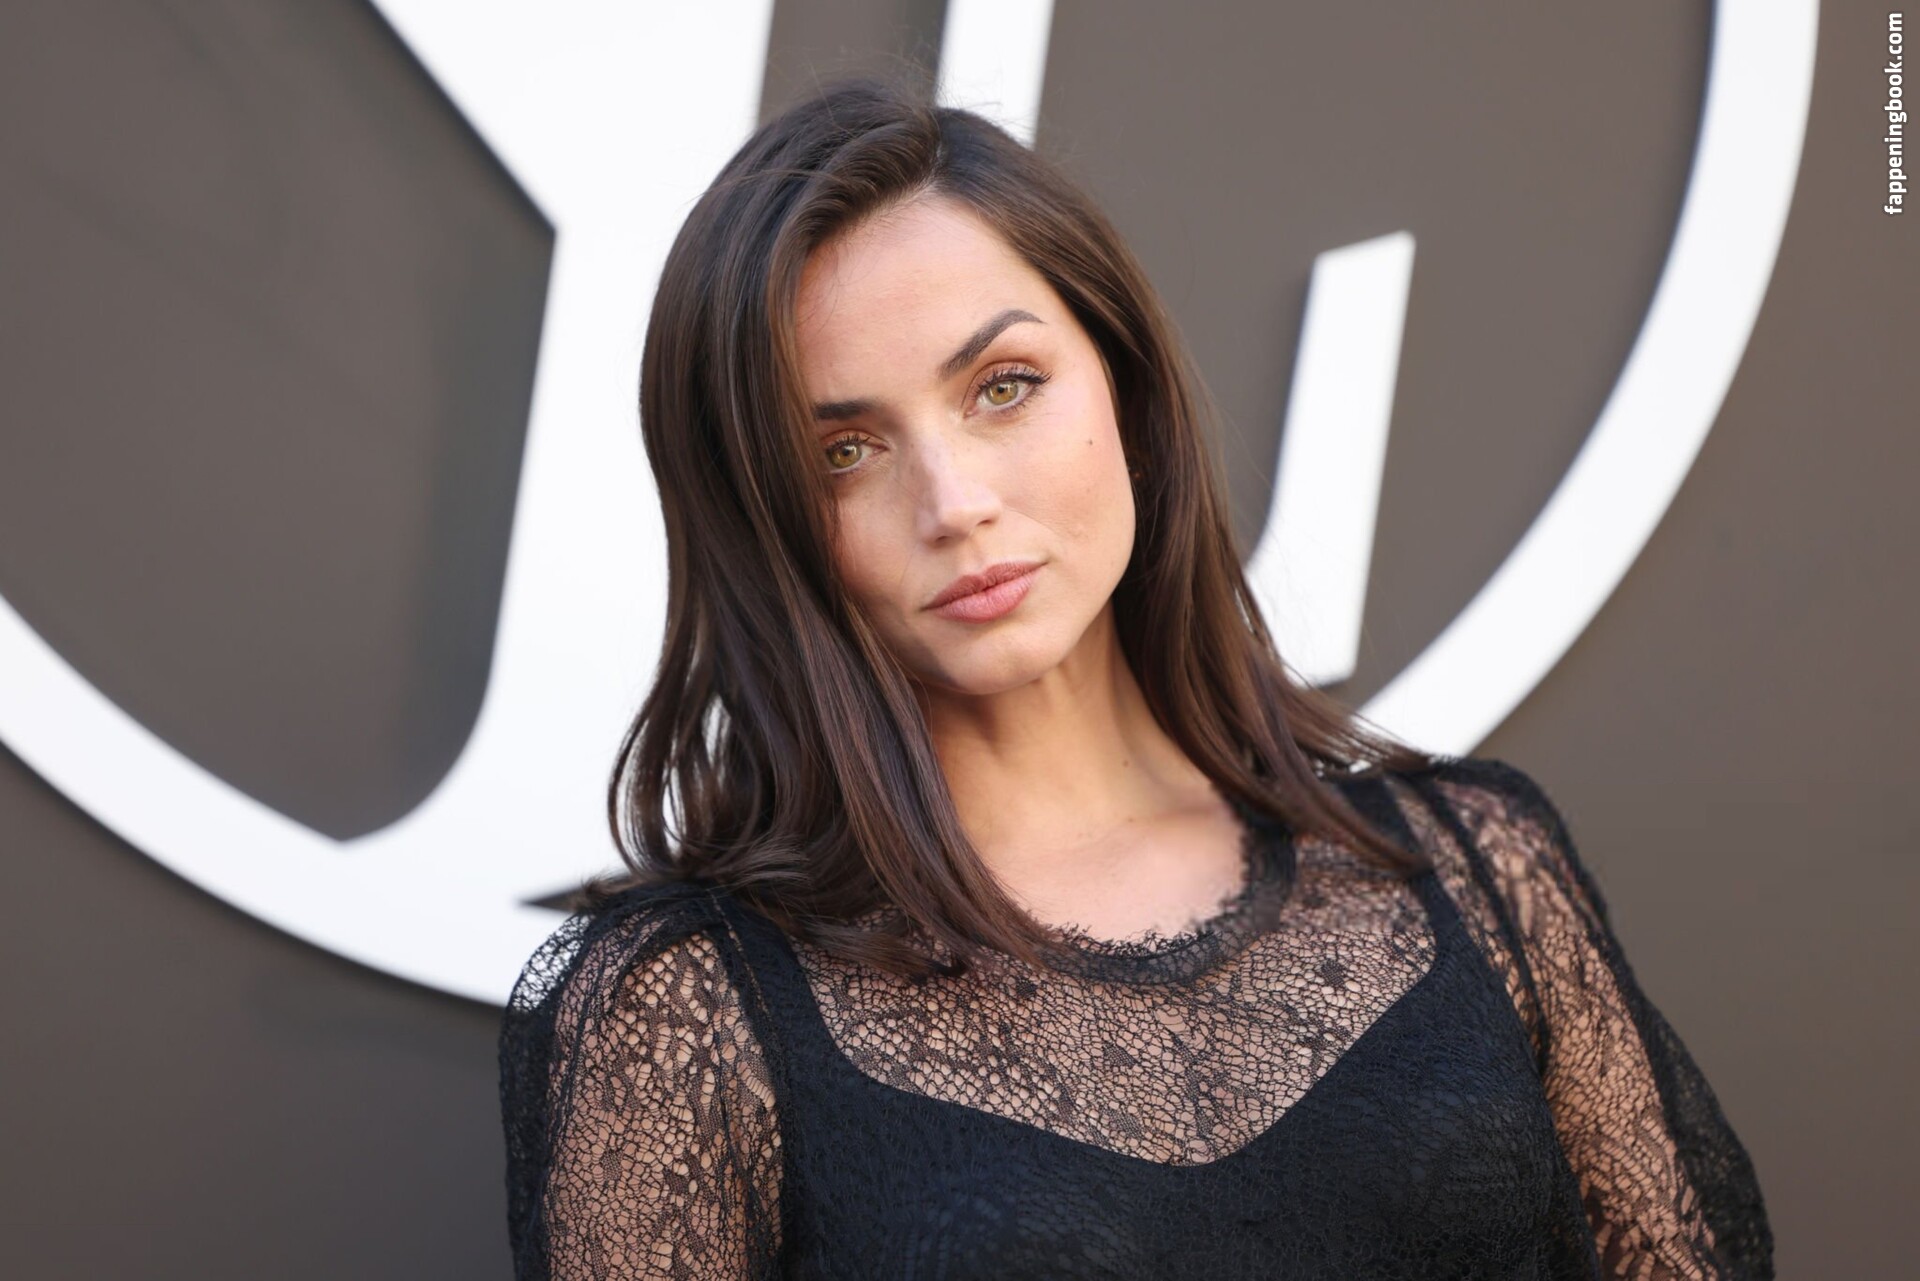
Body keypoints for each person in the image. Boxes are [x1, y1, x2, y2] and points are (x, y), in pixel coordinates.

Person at [497, 77, 1772, 1279]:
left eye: (1003, 388)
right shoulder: (683, 1008)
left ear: (1129, 396)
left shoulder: (1476, 865)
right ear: (762, 525)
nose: (954, 502)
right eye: (843, 452)